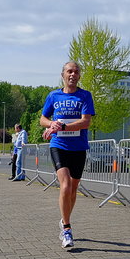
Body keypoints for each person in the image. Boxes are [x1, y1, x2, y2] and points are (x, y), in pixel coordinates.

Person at [40, 61, 95, 248]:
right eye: (69, 71)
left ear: (79, 76)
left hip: (78, 147)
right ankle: (67, 229)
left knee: (73, 189)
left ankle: (64, 220)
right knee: (64, 185)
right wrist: (51, 125)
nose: (73, 74)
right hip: (59, 145)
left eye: (76, 72)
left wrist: (63, 125)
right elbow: (42, 119)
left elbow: (85, 122)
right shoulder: (53, 95)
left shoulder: (85, 96)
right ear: (63, 74)